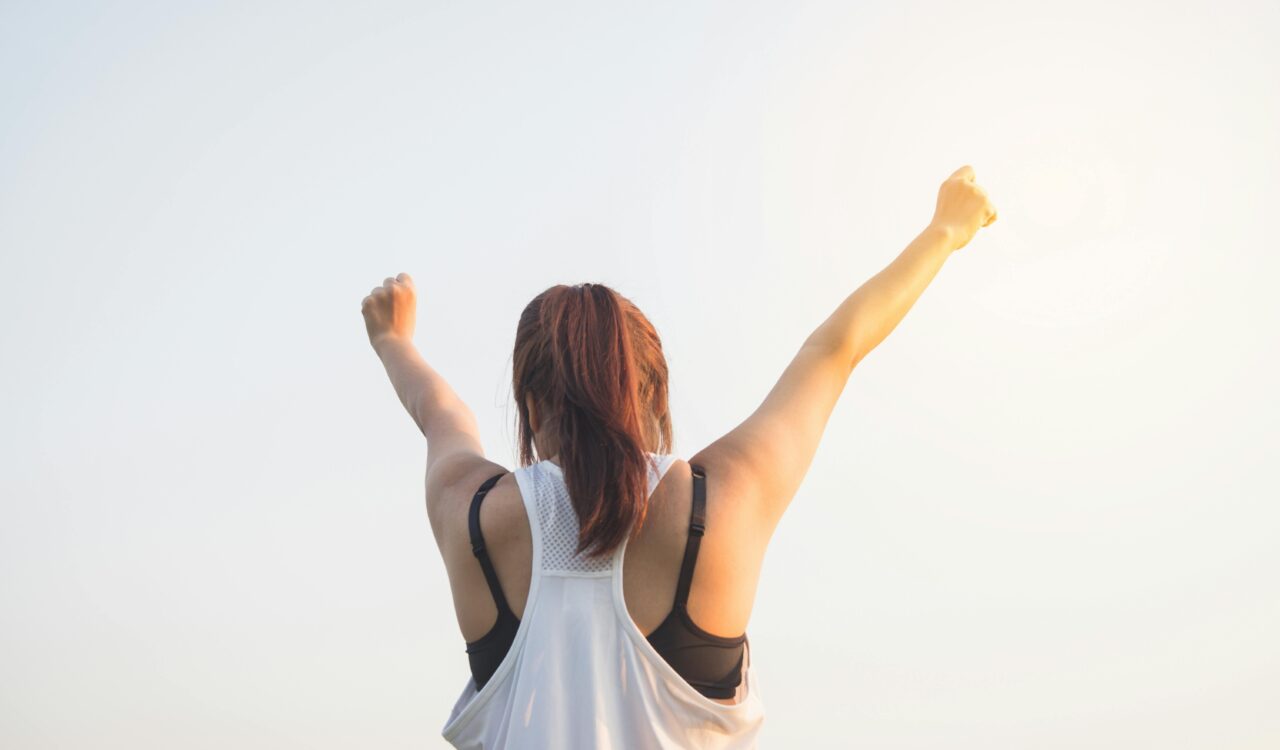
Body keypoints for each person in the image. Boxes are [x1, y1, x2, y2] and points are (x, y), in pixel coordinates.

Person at [361, 165, 998, 749]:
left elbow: (441, 414)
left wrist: (393, 339)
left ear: (528, 404)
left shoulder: (471, 516)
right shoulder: (721, 503)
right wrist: (945, 231)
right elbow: (834, 350)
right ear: (655, 394)